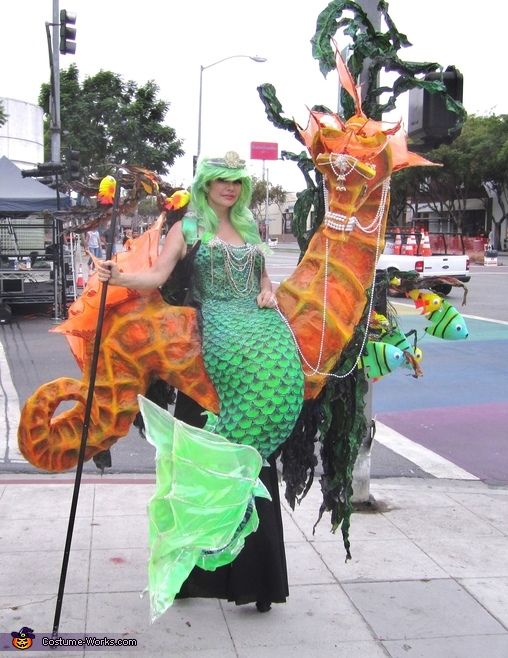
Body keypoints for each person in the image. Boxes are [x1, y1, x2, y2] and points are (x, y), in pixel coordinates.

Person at [97, 151, 304, 613]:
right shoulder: (187, 228)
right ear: (207, 185)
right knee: (240, 413)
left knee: (281, 393)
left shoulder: (251, 229)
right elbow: (157, 276)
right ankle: (215, 518)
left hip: (263, 325)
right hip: (220, 328)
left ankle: (241, 486)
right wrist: (120, 277)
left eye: (237, 183)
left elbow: (263, 281)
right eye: (222, 182)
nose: (230, 189)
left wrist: (268, 292)